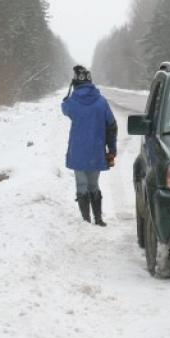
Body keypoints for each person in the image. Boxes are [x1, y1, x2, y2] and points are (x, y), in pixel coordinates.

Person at [61, 65, 117, 226]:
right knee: (94, 185)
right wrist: (112, 149)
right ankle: (98, 219)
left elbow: (64, 108)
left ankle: (86, 221)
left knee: (81, 185)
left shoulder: (72, 102)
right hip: (96, 151)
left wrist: (71, 90)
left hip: (78, 151)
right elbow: (112, 126)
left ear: (76, 82)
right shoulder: (101, 101)